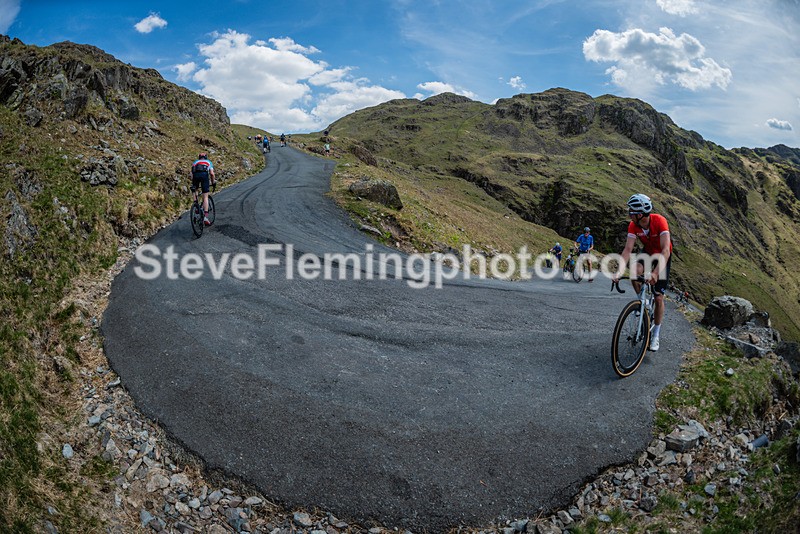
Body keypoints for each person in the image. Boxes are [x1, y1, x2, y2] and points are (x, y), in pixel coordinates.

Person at [615, 193, 673, 351]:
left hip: (662, 254)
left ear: (640, 214)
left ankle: (655, 335)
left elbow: (666, 250)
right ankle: (643, 302)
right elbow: (628, 249)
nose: (629, 214)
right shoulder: (633, 225)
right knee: (634, 272)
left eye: (631, 212)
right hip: (647, 252)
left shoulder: (660, 221)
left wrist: (655, 273)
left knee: (659, 297)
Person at [191, 152, 216, 226]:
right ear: (206, 157)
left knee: (194, 189)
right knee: (205, 196)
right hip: (204, 176)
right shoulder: (208, 162)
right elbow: (211, 174)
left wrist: (194, 183)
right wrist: (213, 182)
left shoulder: (195, 162)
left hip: (195, 176)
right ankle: (205, 217)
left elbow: (191, 174)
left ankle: (196, 205)